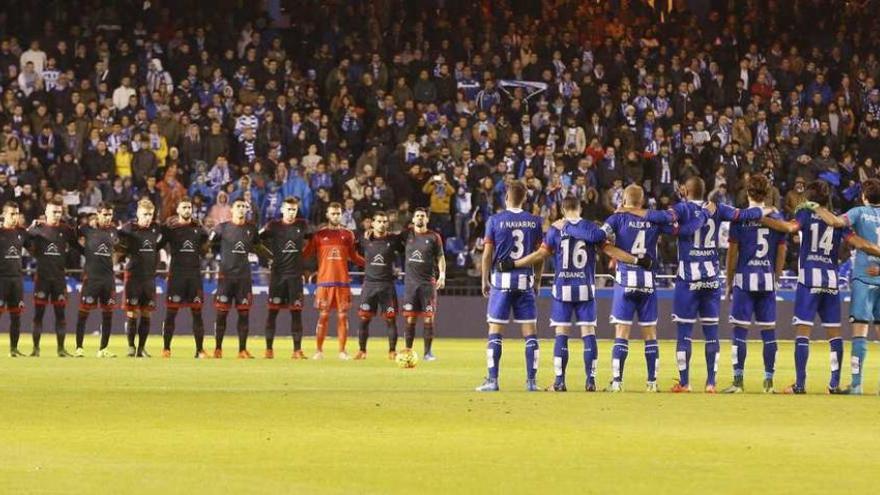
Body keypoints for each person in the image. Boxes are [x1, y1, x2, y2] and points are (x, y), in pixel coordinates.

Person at [498, 196, 644, 391]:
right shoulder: (592, 229)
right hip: (586, 288)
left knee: (562, 334)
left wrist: (514, 264)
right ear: (580, 208)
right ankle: (590, 380)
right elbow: (610, 250)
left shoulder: (556, 229)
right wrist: (635, 260)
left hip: (563, 289)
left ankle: (559, 381)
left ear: (562, 209)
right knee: (588, 333)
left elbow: (540, 255)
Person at [762, 180, 880, 393]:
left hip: (809, 280)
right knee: (835, 335)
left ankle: (799, 384)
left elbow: (790, 228)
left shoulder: (805, 214)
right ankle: (834, 384)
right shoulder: (836, 221)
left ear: (810, 198)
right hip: (831, 281)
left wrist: (761, 218)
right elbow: (860, 243)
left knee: (803, 333)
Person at [655, 177, 770, 393]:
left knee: (684, 334)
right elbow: (742, 215)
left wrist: (676, 221)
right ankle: (711, 383)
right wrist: (763, 209)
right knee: (711, 333)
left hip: (688, 279)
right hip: (711, 278)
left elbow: (665, 223)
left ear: (686, 191)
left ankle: (685, 382)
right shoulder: (717, 208)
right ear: (704, 191)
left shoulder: (682, 208)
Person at [601, 184, 678, 392]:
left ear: (624, 200)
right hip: (648, 282)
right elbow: (674, 224)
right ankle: (652, 383)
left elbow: (600, 239)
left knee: (622, 331)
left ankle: (617, 382)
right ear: (642, 201)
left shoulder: (616, 219)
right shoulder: (654, 219)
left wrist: (618, 253)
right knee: (650, 333)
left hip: (625, 280)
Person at [809, 177, 880, 394]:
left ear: (863, 196)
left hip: (863, 277)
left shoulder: (859, 212)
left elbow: (836, 223)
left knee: (860, 331)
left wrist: (817, 207)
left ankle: (857, 384)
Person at [475, 181, 544, 392]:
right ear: (524, 199)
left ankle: (492, 380)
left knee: (495, 331)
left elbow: (487, 254)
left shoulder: (495, 220)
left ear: (507, 197)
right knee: (530, 333)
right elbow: (540, 255)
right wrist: (538, 280)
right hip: (525, 282)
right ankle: (531, 382)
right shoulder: (534, 221)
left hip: (502, 282)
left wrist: (484, 279)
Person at [722, 174, 787, 394]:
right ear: (767, 193)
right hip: (767, 281)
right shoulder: (777, 217)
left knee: (739, 331)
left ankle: (738, 382)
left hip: (744, 280)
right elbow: (781, 251)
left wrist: (729, 282)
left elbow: (732, 253)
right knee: (769, 332)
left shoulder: (740, 218)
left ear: (748, 192)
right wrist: (776, 278)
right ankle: (769, 383)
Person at [209, 198, 272, 358]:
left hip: (243, 278)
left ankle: (242, 350)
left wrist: (272, 257)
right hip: (226, 278)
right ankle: (218, 349)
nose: (241, 209)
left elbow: (258, 247)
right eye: (238, 206)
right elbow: (210, 246)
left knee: (244, 314)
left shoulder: (251, 229)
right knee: (221, 314)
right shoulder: (222, 228)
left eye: (244, 206)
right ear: (232, 209)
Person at [303, 202, 365, 360]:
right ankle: (318, 351)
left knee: (343, 316)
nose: (336, 216)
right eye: (333, 213)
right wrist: (289, 258)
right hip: (324, 282)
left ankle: (342, 351)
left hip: (342, 282)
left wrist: (370, 263)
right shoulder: (319, 235)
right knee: (323, 316)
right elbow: (306, 254)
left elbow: (354, 256)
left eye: (338, 213)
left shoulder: (348, 235)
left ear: (342, 215)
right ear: (327, 215)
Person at [259, 197, 309, 359]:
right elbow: (256, 240)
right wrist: (267, 257)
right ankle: (268, 349)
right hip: (278, 276)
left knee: (296, 313)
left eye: (294, 209)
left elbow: (314, 241)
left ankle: (297, 350)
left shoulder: (302, 225)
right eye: (288, 209)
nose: (291, 212)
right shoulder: (273, 226)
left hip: (295, 276)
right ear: (282, 209)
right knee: (272, 312)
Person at [26, 199, 77, 357]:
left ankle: (61, 349)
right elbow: (22, 240)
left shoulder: (66, 229)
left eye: (59, 212)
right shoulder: (38, 228)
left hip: (59, 279)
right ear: (46, 213)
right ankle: (35, 349)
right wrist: (30, 231)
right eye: (53, 212)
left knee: (60, 315)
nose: (56, 215)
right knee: (38, 314)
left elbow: (77, 244)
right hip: (42, 278)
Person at [160, 197, 210, 358]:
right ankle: (166, 349)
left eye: (189, 207)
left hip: (194, 276)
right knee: (171, 313)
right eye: (184, 207)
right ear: (178, 210)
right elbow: (158, 244)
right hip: (176, 276)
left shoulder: (199, 229)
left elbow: (204, 247)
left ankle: (199, 350)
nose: (188, 210)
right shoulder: (170, 229)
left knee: (197, 313)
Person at [117, 199, 162, 357]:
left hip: (149, 277)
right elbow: (116, 241)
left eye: (150, 214)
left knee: (146, 313)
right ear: (137, 213)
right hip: (133, 276)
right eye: (145, 214)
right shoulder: (128, 228)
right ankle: (131, 347)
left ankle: (141, 348)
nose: (148, 217)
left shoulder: (156, 228)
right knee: (132, 313)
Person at [356, 211, 404, 360]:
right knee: (364, 319)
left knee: (390, 320)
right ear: (373, 223)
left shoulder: (393, 240)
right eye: (379, 221)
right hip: (369, 285)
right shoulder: (364, 240)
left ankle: (392, 351)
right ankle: (362, 351)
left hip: (387, 286)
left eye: (384, 222)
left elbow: (406, 247)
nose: (382, 224)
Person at [76, 203, 121, 357]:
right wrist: (85, 252)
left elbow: (120, 248)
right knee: (83, 313)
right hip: (91, 278)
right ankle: (79, 348)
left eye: (110, 215)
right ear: (98, 214)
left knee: (108, 315)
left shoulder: (114, 231)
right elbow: (71, 238)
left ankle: (103, 349)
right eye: (105, 215)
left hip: (108, 279)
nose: (108, 218)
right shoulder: (86, 229)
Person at [401, 208, 446, 360]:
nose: (420, 218)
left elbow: (440, 257)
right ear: (413, 219)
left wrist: (442, 275)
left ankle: (427, 353)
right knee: (411, 318)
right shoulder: (406, 234)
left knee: (428, 318)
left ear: (427, 219)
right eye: (417, 216)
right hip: (411, 284)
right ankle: (408, 350)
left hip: (427, 283)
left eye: (423, 216)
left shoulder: (434, 237)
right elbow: (388, 238)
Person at [0, 202, 26, 356]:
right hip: (1, 279)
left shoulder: (21, 233)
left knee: (16, 317)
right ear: (4, 215)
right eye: (12, 214)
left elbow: (34, 246)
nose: (15, 217)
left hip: (16, 280)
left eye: (17, 214)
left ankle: (14, 349)